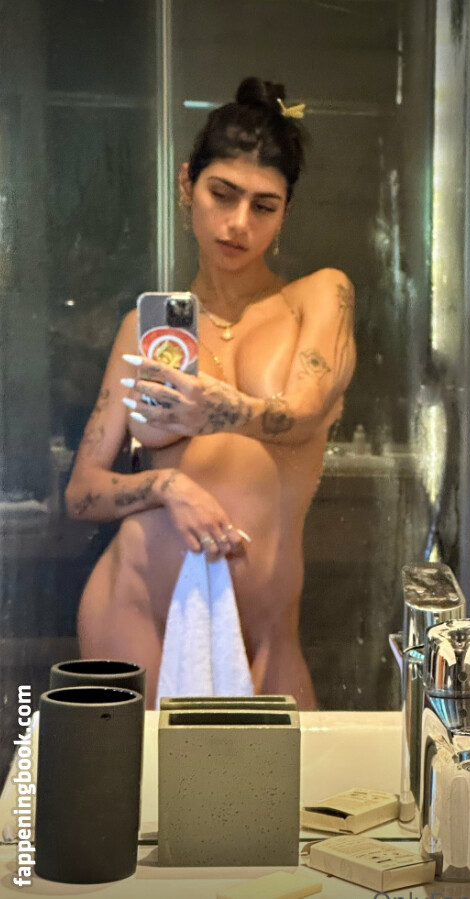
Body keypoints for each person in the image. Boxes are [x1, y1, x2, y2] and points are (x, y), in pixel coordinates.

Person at [65, 77, 356, 710]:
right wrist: (167, 486)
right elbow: (83, 492)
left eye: (264, 206)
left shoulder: (317, 297)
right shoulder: (143, 330)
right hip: (136, 605)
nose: (238, 223)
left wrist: (215, 409)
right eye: (221, 194)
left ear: (285, 213)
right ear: (186, 184)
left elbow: (304, 415)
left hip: (268, 635)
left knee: (290, 777)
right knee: (140, 779)